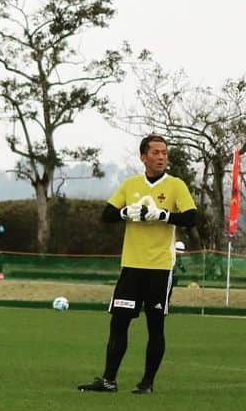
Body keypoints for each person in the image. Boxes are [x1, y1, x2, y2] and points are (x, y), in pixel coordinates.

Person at [78, 134, 197, 395]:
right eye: (155, 152)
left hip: (160, 268)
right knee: (119, 322)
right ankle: (108, 380)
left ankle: (147, 383)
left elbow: (191, 217)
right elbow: (106, 214)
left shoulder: (176, 185)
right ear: (143, 157)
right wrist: (124, 212)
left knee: (155, 325)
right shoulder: (131, 184)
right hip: (131, 266)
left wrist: (164, 215)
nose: (161, 157)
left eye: (164, 152)